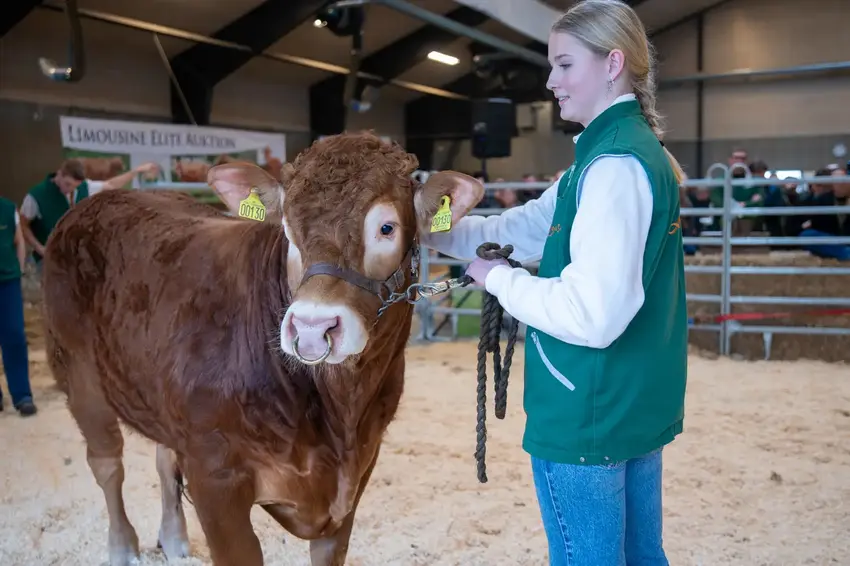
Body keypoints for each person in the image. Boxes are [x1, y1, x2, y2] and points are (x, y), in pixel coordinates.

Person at [421, 1, 687, 564]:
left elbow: (592, 315)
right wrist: (426, 230)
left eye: (565, 65)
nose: (551, 82)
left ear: (612, 64)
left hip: (587, 407)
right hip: (630, 401)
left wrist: (500, 280)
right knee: (641, 556)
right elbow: (516, 229)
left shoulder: (613, 169)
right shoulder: (613, 159)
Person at [19, 159, 159, 269]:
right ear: (59, 174)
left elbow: (111, 184)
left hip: (77, 257)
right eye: (67, 184)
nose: (70, 189)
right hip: (50, 258)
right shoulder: (36, 196)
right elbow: (23, 225)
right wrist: (39, 248)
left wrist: (136, 171)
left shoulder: (85, 187)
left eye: (75, 186)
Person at [0, 196, 37, 416]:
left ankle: (22, 396)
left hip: (7, 281)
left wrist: (20, 269)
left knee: (14, 334)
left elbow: (18, 240)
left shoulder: (7, 209)